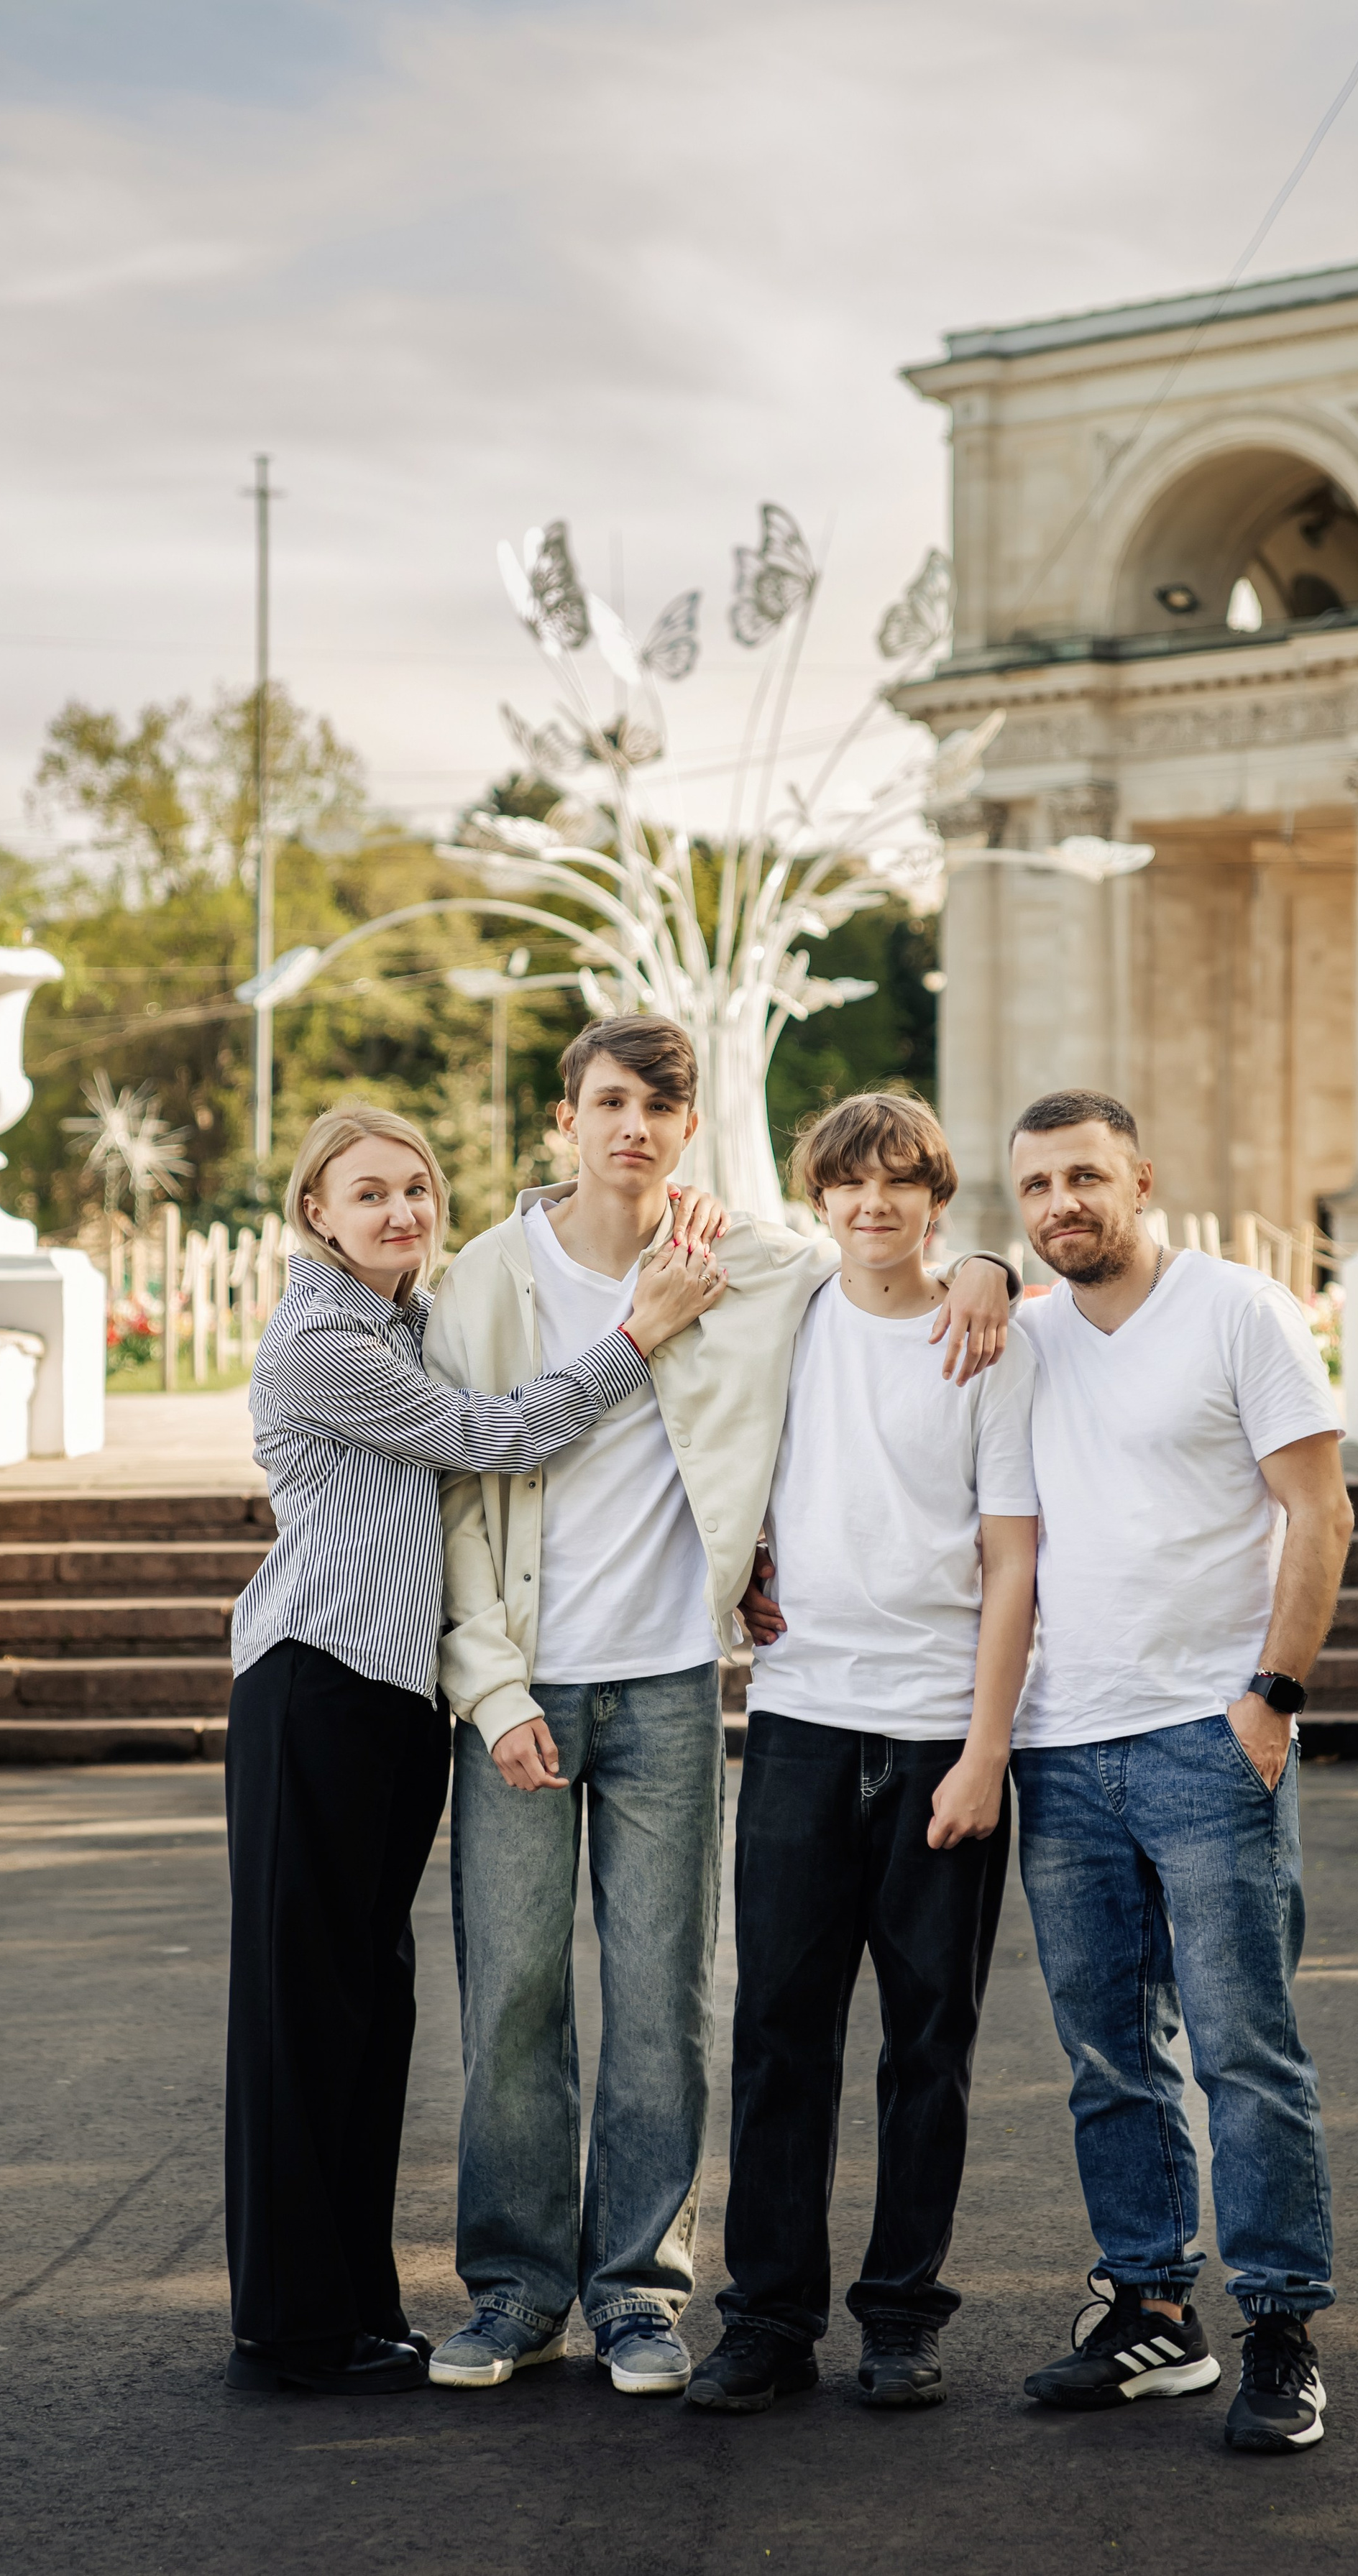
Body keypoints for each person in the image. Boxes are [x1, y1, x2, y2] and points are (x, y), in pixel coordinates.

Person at [423, 1019, 1017, 2399]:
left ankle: (639, 2292)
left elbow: (894, 1256)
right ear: (565, 1118)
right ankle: (515, 2290)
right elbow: (455, 1497)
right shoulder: (487, 1278)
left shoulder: (750, 1262)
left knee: (665, 2005)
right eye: (609, 1101)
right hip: (522, 1687)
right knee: (511, 1997)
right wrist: (491, 1683)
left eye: (659, 1106)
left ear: (690, 1129)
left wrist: (993, 1261)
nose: (633, 1126)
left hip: (674, 1683)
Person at [221, 1100, 725, 2398]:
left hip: (390, 1705)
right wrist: (636, 1337)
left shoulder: (404, 1315)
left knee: (366, 2008)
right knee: (300, 2011)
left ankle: (353, 2307)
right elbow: (496, 1439)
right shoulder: (325, 1337)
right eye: (369, 1193)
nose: (399, 1212)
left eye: (416, 1191)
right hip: (311, 1687)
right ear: (314, 1214)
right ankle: (291, 2324)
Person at [1006, 1089, 1352, 2455]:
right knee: (1106, 2053)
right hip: (1059, 1746)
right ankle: (1152, 2308)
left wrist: (1270, 1701)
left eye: (1085, 1178)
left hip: (1210, 1738)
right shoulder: (1022, 1332)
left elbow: (1319, 1509)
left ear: (1140, 1180)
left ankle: (1282, 2327)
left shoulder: (1237, 1310)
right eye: (1034, 1189)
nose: (1061, 1208)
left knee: (1244, 2051)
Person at [687, 1095, 1040, 2416]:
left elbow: (1014, 1562)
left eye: (902, 1186)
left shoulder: (987, 1339)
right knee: (779, 2033)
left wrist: (985, 1751)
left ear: (937, 1202)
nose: (874, 1206)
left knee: (928, 2041)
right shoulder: (788, 1314)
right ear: (819, 1198)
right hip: (800, 1719)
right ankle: (768, 2318)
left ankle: (901, 2316)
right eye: (850, 1185)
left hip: (941, 1729)